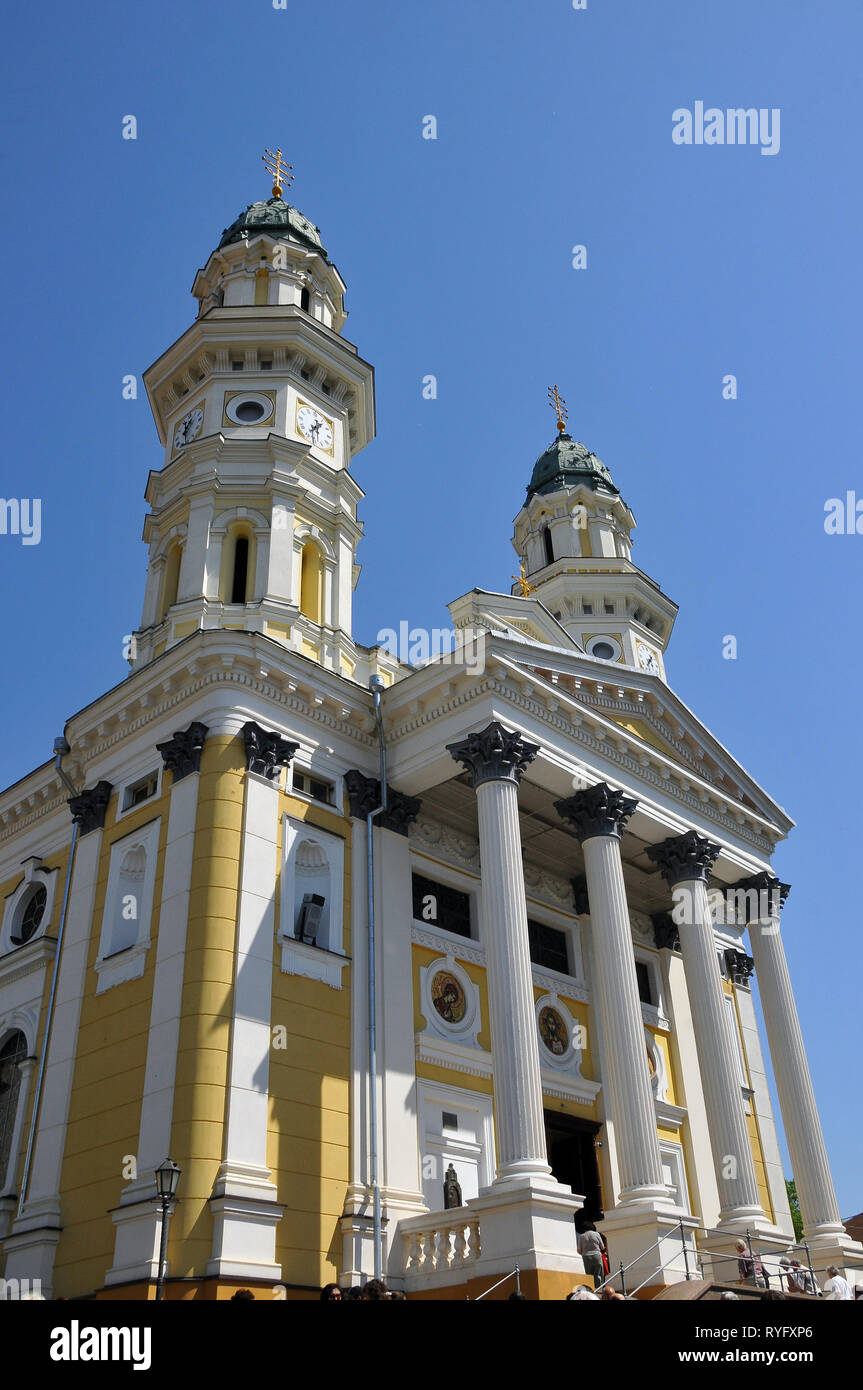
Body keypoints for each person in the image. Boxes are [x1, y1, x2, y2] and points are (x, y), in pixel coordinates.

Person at [577, 1222, 606, 1287]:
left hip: (586, 1257)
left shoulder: (582, 1236)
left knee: (589, 1275)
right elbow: (602, 1247)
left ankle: (591, 1290)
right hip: (596, 1256)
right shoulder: (596, 1234)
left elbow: (579, 1250)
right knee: (598, 1275)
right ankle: (599, 1289)